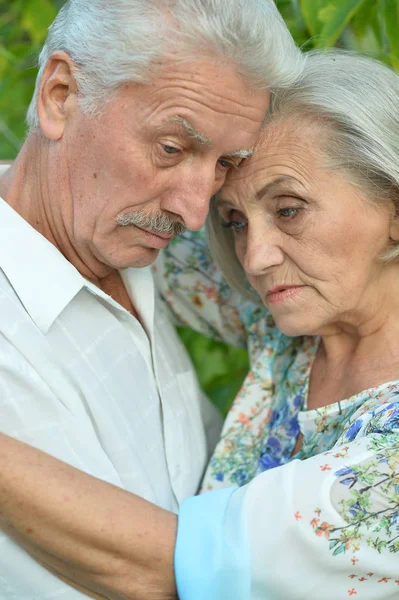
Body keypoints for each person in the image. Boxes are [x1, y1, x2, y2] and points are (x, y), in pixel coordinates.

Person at [1, 49, 399, 600]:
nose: (254, 257)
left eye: (289, 209)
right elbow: (84, 214)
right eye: (234, 220)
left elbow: (176, 569)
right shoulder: (288, 319)